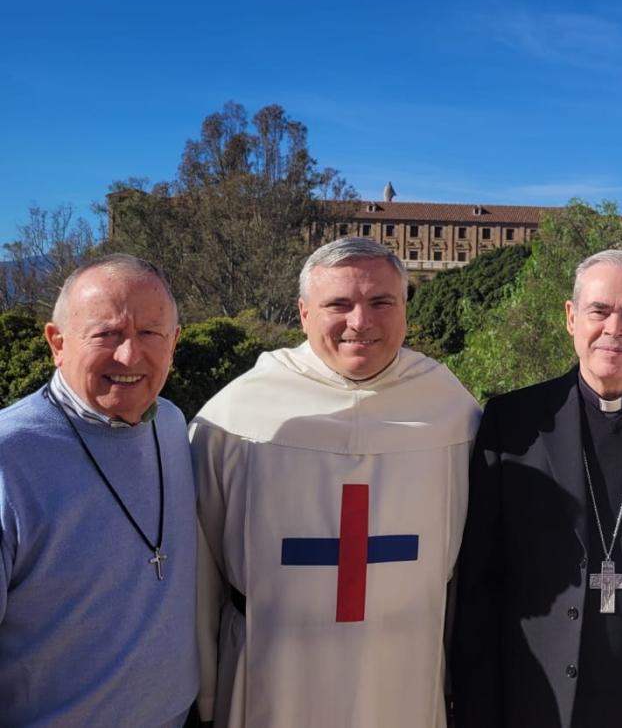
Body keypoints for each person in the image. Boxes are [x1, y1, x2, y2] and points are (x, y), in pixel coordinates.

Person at [191, 237, 481, 727]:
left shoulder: (452, 412)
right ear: (304, 314)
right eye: (339, 304)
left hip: (404, 676)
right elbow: (199, 572)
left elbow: (475, 571)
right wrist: (203, 694)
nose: (360, 322)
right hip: (274, 676)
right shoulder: (236, 417)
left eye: (381, 302)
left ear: (405, 309)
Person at [451, 249, 622, 727]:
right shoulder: (513, 424)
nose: (614, 329)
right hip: (540, 702)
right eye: (599, 311)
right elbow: (480, 586)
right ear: (571, 317)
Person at [0, 254, 195, 726]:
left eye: (150, 333)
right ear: (57, 343)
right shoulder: (10, 456)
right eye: (107, 333)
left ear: (174, 342)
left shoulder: (171, 424)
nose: (129, 356)